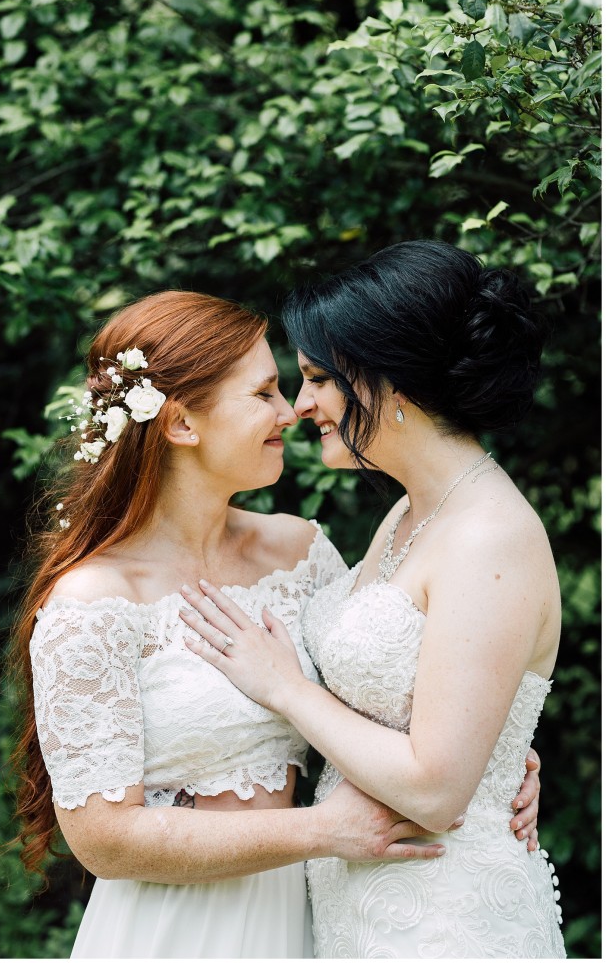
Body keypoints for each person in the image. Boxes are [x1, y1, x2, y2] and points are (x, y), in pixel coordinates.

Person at [9, 288, 541, 959]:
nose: (290, 411)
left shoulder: (299, 551)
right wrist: (324, 832)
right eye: (263, 394)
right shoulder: (92, 600)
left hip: (312, 918)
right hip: (176, 930)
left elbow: (384, 678)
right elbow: (103, 840)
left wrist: (494, 749)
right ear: (180, 425)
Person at [179, 241, 566, 959]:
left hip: (447, 919)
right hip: (366, 912)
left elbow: (436, 791)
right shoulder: (411, 513)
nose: (301, 407)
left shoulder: (491, 537)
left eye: (320, 379)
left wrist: (286, 689)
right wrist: (505, 751)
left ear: (393, 381)